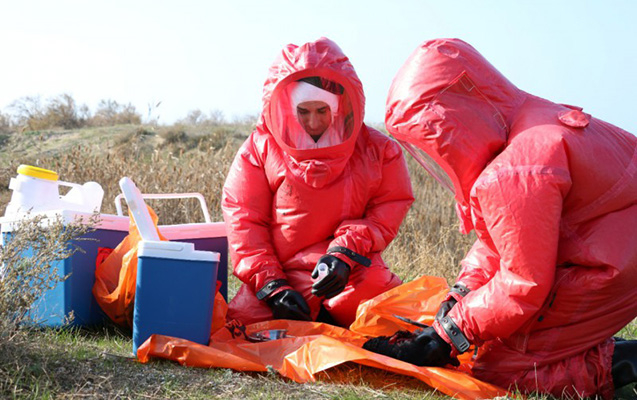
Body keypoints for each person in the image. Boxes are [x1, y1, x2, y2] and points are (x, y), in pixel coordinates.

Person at [364, 38, 637, 398]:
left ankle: (624, 361)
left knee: (502, 368)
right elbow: (506, 237)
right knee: (504, 333)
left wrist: (446, 335)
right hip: (612, 252)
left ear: (453, 121)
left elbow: (522, 284)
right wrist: (462, 292)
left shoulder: (516, 168)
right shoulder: (528, 126)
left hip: (608, 266)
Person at [221, 37, 414, 328]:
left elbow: (388, 209)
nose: (313, 122)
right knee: (243, 328)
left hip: (351, 271)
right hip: (281, 274)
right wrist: (272, 287)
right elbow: (244, 220)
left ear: (338, 107)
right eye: (304, 111)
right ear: (288, 107)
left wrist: (344, 252)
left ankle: (333, 317)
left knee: (378, 321)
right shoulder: (260, 148)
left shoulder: (379, 150)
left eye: (322, 110)